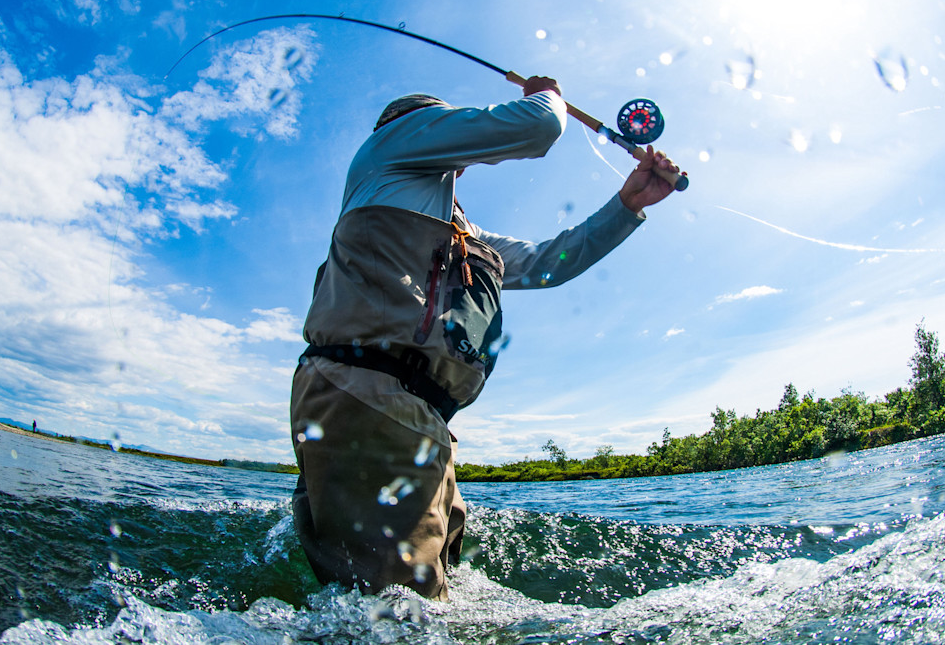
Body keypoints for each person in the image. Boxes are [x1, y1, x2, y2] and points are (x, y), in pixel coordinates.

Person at [290, 75, 678, 600]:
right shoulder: (390, 144)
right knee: (397, 612)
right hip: (366, 394)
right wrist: (547, 94)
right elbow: (539, 126)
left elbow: (548, 265)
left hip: (419, 417)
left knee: (432, 595)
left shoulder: (459, 231)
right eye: (446, 129)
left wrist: (628, 204)